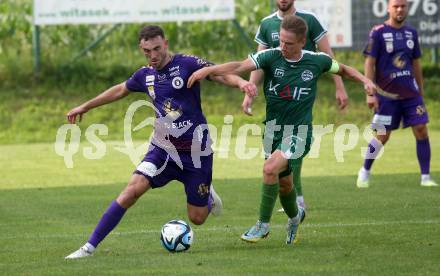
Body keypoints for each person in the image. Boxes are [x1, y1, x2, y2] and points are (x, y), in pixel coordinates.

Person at [64, 25, 256, 259]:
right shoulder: (145, 75)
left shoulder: (186, 64)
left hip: (196, 153)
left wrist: (241, 84)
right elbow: (119, 90)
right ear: (141, 48)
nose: (153, 55)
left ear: (165, 43)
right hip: (162, 150)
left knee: (197, 218)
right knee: (131, 191)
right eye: (147, 51)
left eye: (156, 48)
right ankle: (88, 248)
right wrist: (85, 106)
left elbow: (219, 73)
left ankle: (207, 198)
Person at [188, 15, 376, 244]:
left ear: (302, 41)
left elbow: (343, 69)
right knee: (284, 185)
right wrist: (206, 71)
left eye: (288, 43)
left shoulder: (317, 61)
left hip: (299, 132)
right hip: (273, 130)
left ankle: (262, 225)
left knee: (269, 169)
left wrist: (365, 80)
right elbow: (239, 65)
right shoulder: (271, 56)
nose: (282, 47)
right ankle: (295, 218)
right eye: (281, 41)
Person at [243, 0, 349, 210]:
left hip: (302, 88)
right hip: (277, 93)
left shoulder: (309, 20)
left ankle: (297, 197)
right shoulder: (266, 24)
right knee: (280, 147)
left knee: (295, 139)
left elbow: (328, 57)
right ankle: (293, 199)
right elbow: (258, 62)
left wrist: (339, 86)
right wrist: (250, 90)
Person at [356, 0, 438, 188]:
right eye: (396, 6)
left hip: (411, 96)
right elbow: (369, 63)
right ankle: (365, 171)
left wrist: (421, 90)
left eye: (403, 6)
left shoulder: (412, 33)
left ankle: (425, 177)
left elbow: (416, 63)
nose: (400, 9)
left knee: (421, 130)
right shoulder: (378, 32)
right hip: (386, 96)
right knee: (382, 136)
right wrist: (370, 93)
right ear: (388, 8)